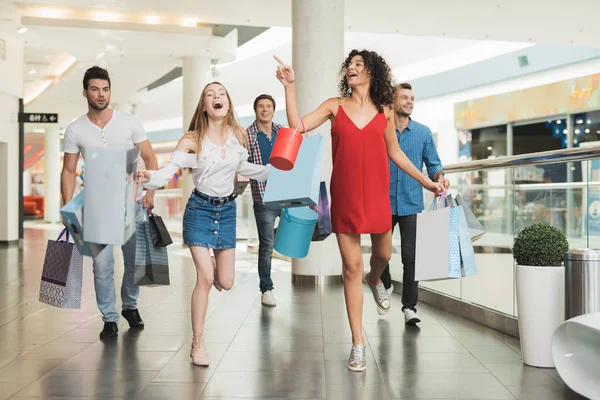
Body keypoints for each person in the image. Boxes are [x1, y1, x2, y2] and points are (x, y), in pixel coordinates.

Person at [274, 51, 444, 372]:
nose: (351, 68)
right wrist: (290, 86)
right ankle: (357, 344)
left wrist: (426, 181)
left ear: (372, 72)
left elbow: (395, 152)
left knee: (382, 255)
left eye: (358, 65)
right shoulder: (334, 106)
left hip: (378, 196)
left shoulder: (385, 109)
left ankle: (375, 278)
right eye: (349, 65)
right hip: (346, 196)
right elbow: (297, 127)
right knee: (350, 269)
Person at [137, 82, 270, 367]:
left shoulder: (238, 135)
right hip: (199, 209)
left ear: (229, 102)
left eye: (221, 93)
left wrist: (272, 172)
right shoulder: (192, 140)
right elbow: (167, 174)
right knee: (206, 279)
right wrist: (147, 176)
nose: (216, 97)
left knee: (226, 281)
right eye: (210, 94)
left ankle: (210, 263)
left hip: (228, 211)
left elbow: (243, 169)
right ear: (204, 105)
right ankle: (198, 342)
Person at [61, 66, 158, 340]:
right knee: (102, 266)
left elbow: (150, 159)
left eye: (105, 89)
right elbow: (68, 171)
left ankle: (130, 304)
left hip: (132, 204)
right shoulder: (75, 129)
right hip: (96, 208)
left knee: (133, 262)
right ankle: (109, 316)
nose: (101, 95)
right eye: (95, 89)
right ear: (85, 92)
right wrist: (67, 207)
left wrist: (150, 192)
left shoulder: (130, 122)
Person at [379, 83, 450, 324]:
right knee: (382, 254)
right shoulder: (381, 131)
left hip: (411, 203)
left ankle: (409, 307)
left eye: (412, 98)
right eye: (404, 98)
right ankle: (385, 284)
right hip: (382, 202)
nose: (410, 102)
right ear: (393, 101)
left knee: (411, 258)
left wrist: (439, 177)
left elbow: (433, 165)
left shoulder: (423, 132)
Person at [246, 94, 282, 307]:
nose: (265, 109)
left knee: (306, 228)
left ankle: (276, 237)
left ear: (273, 109)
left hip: (287, 195)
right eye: (261, 106)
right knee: (266, 246)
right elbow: (241, 164)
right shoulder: (248, 135)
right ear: (256, 110)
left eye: (268, 106)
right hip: (263, 198)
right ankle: (266, 289)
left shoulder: (282, 132)